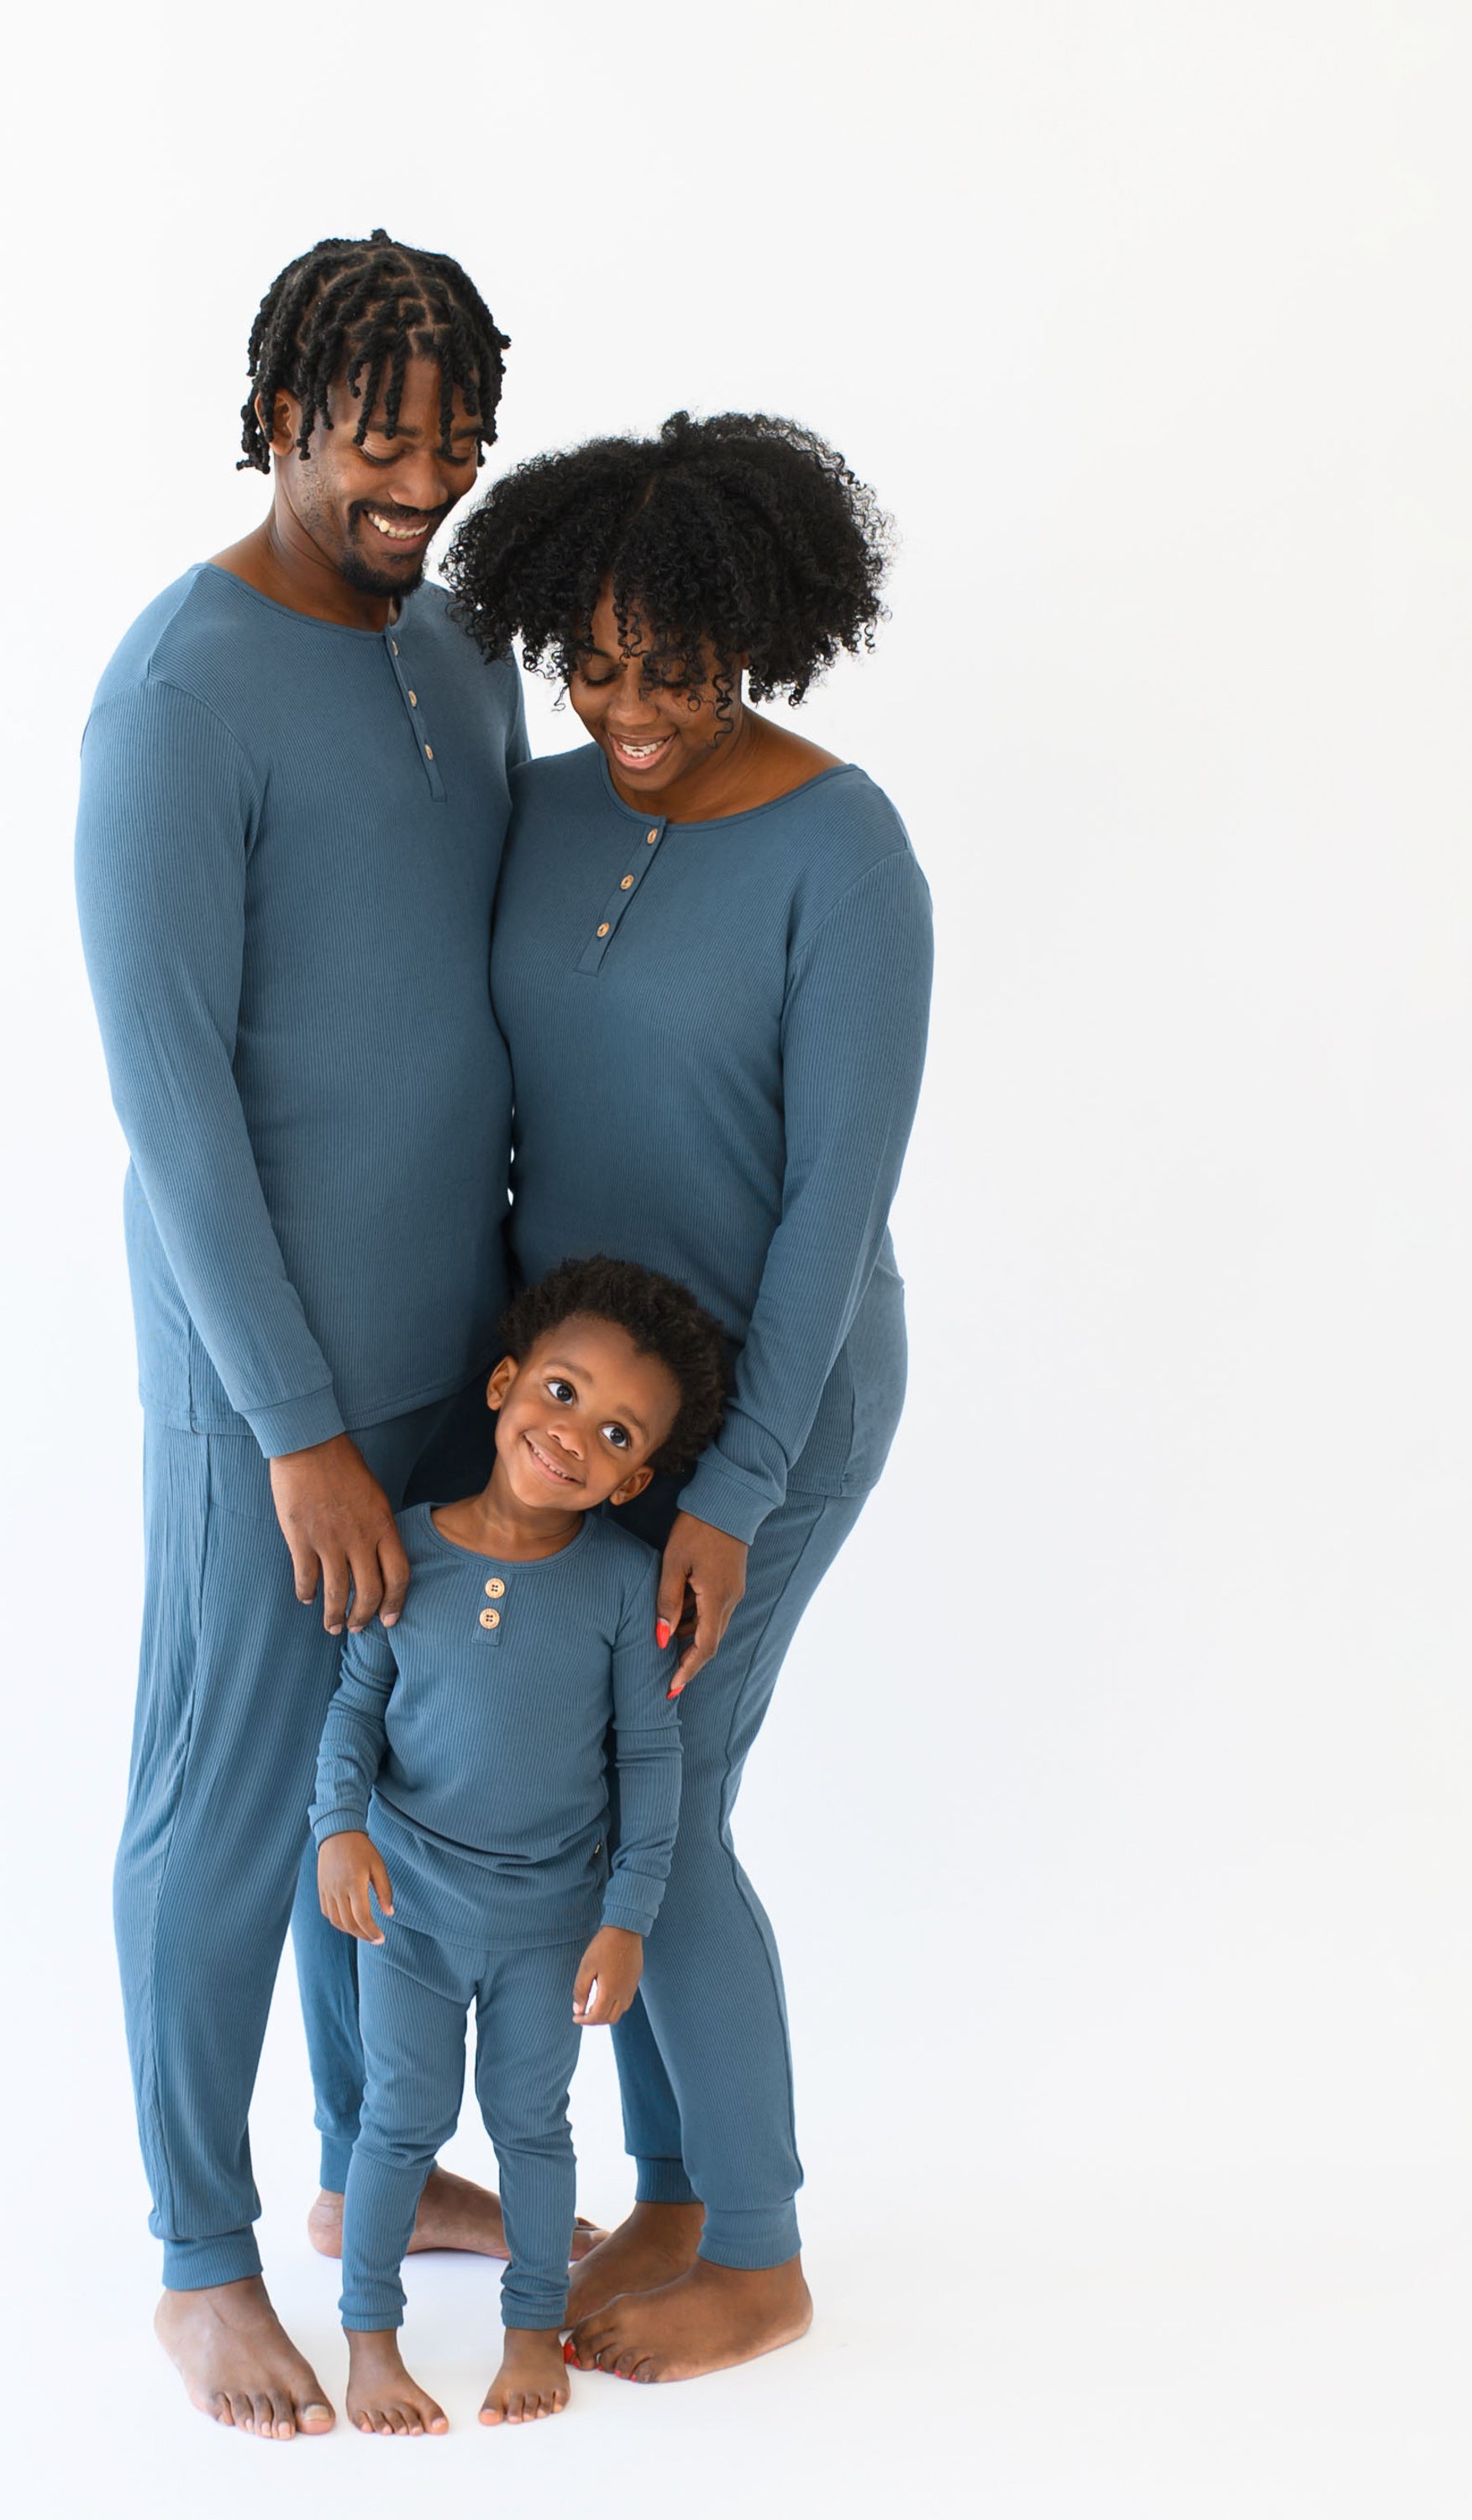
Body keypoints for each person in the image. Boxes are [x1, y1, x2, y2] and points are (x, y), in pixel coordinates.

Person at [74, 230, 530, 2442]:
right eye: (377, 433)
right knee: (227, 1802)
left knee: (397, 1791)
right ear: (280, 419)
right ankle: (195, 2252)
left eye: (452, 437)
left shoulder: (463, 655)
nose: (416, 479)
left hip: (455, 1356)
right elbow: (168, 1104)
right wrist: (296, 1427)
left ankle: (377, 2165)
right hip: (274, 1396)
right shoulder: (180, 695)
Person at [443, 410, 934, 2381]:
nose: (634, 707)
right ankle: (669, 2188)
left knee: (674, 1801)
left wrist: (730, 1489)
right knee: (605, 1806)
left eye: (681, 667)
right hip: (585, 1409)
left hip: (775, 1409)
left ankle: (760, 2243)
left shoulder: (846, 847)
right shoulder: (546, 809)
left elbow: (838, 1203)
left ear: (762, 637)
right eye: (599, 663)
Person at [310, 1259, 727, 2433]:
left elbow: (651, 1761)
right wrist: (339, 1828)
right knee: (399, 2121)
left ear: (633, 1476)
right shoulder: (403, 1552)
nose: (570, 1435)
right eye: (556, 1391)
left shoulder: (619, 1586)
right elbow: (353, 1710)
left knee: (532, 2126)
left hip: (550, 1920)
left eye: (611, 1432)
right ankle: (370, 2342)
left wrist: (628, 1916)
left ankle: (531, 2328)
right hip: (409, 1909)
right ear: (502, 1387)